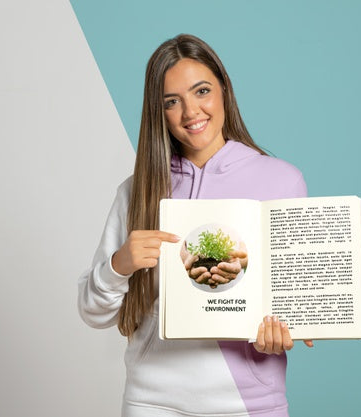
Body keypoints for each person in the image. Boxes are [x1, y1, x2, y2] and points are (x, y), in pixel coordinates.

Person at [78, 34, 313, 417]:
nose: (191, 112)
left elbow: (295, 305)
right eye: (172, 101)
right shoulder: (137, 190)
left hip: (248, 403)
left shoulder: (282, 181)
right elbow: (93, 312)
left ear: (223, 88)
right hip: (151, 401)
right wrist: (120, 263)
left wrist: (282, 332)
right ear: (159, 111)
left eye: (201, 90)